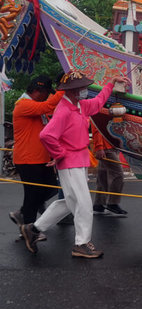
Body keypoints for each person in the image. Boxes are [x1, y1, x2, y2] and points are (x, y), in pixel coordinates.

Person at [19, 70, 130, 258]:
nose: (84, 90)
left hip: (77, 161)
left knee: (68, 203)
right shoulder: (64, 110)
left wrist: (111, 84)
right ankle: (81, 243)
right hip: (70, 163)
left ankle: (33, 229)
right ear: (72, 90)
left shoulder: (78, 106)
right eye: (81, 88)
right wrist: (60, 153)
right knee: (84, 203)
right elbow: (46, 135)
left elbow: (97, 103)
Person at [10, 76, 64, 230]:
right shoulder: (23, 105)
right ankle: (27, 227)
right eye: (48, 92)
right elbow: (48, 106)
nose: (48, 96)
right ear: (38, 91)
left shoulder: (34, 105)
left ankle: (22, 214)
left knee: (51, 188)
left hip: (40, 158)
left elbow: (50, 108)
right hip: (28, 160)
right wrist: (63, 90)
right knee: (33, 194)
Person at [91, 123, 128, 217]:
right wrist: (99, 147)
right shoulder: (99, 109)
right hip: (106, 148)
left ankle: (98, 204)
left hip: (110, 146)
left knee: (103, 176)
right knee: (118, 175)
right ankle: (112, 203)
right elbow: (97, 129)